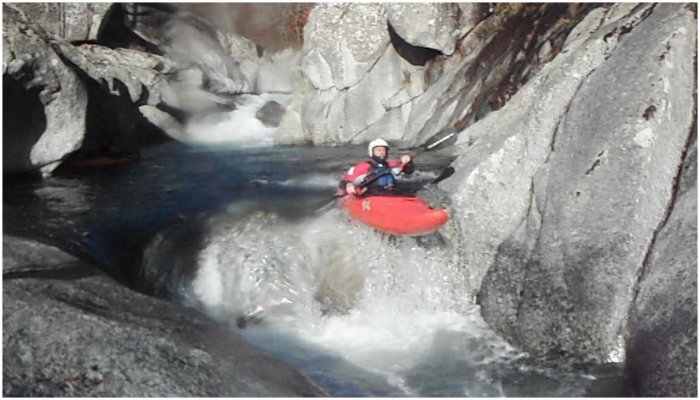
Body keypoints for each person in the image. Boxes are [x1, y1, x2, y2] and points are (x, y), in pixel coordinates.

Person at [338, 138, 414, 196]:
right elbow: (346, 180)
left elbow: (408, 170)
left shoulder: (392, 164)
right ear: (372, 152)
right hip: (369, 195)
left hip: (390, 194)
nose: (381, 152)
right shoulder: (362, 166)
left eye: (383, 150)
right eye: (378, 150)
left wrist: (408, 162)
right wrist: (349, 185)